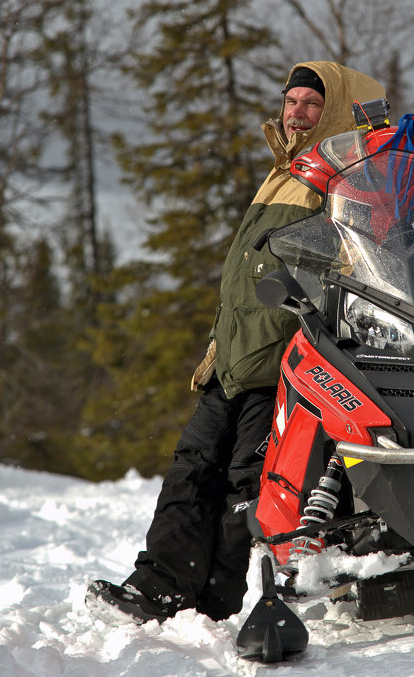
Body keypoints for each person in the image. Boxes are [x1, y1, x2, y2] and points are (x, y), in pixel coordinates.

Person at [90, 62, 386, 623]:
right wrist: (215, 349)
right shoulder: (282, 173)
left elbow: (358, 268)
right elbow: (245, 281)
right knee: (190, 469)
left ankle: (222, 602)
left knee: (245, 491)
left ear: (339, 112)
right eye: (291, 101)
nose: (295, 113)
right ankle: (163, 587)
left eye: (311, 104)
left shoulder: (350, 177)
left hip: (286, 364)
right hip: (233, 360)